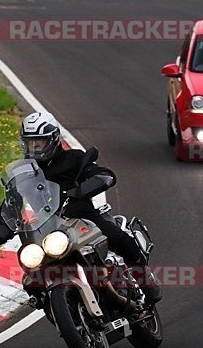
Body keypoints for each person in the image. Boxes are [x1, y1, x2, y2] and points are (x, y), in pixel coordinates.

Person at [16, 111, 161, 303]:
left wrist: (82, 190)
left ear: (52, 139)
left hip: (85, 219)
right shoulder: (25, 172)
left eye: (39, 141)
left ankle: (145, 280)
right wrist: (2, 224)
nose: (34, 146)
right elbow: (11, 200)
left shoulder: (74, 159)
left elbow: (104, 175)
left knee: (118, 237)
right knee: (31, 275)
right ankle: (54, 306)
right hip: (49, 229)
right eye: (30, 141)